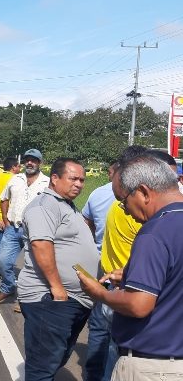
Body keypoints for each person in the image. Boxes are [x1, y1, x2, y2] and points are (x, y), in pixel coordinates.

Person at [78, 153, 183, 381]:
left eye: (123, 200)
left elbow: (138, 305)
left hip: (152, 366)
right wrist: (130, 276)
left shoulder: (154, 233)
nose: (124, 209)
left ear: (144, 192)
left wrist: (100, 293)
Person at [17, 158, 99, 381]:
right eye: (73, 178)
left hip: (72, 298)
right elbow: (41, 245)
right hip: (50, 297)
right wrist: (57, 288)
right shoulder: (45, 205)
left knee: (57, 356)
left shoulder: (66, 205)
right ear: (54, 178)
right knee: (43, 365)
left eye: (82, 179)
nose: (79, 184)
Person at [0, 149, 50, 306]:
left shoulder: (47, 183)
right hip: (13, 228)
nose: (30, 163)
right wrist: (5, 219)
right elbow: (4, 198)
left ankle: (26, 297)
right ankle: (8, 287)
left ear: (40, 163)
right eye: (27, 160)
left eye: (34, 160)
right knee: (2, 260)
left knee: (32, 267)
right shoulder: (15, 179)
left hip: (36, 231)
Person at [81, 161, 119, 381]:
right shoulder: (134, 200)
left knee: (99, 325)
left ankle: (94, 373)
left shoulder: (98, 193)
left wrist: (96, 242)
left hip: (102, 267)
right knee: (111, 331)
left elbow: (86, 221)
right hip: (123, 276)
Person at [0, 157, 19, 279]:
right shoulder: (14, 179)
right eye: (18, 166)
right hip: (7, 216)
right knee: (7, 246)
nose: (20, 168)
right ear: (13, 167)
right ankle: (2, 271)